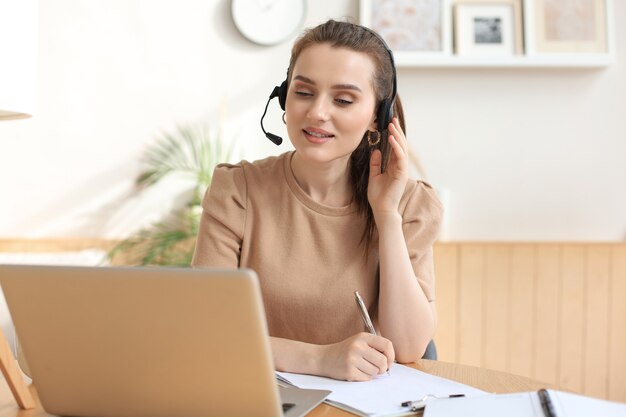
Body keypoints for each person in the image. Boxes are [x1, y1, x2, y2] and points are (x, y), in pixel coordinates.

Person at [192, 19, 442, 382]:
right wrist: (320, 359)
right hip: (260, 397)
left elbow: (406, 347)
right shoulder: (237, 190)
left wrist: (386, 214)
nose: (317, 113)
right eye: (304, 92)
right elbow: (207, 332)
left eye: (343, 100)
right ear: (283, 96)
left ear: (378, 116)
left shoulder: (411, 204)